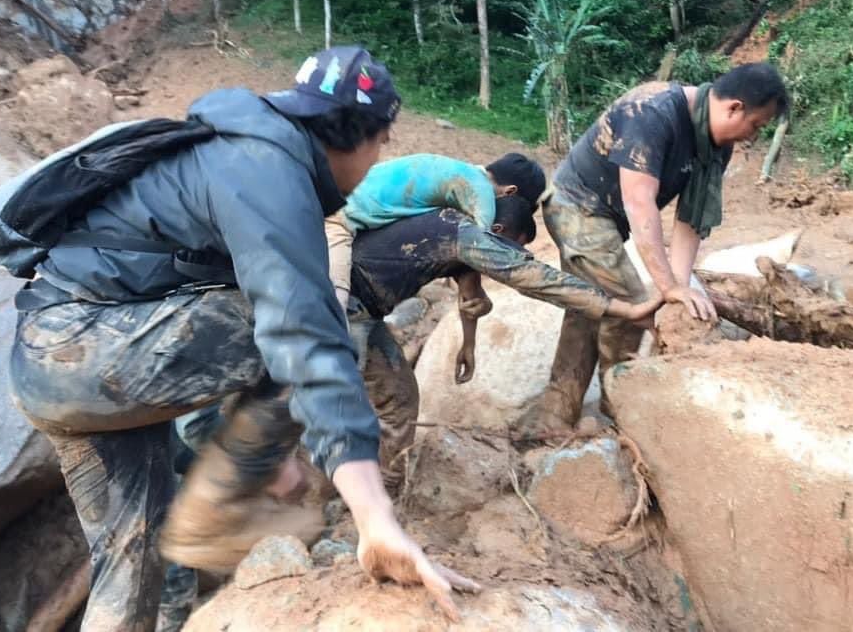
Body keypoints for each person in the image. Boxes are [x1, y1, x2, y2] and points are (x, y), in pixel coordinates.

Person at [6, 46, 478, 631]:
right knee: (314, 319)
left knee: (131, 567)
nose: (377, 158)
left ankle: (216, 504)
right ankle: (219, 507)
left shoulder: (237, 151)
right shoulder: (267, 169)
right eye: (382, 142)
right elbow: (302, 336)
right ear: (360, 135)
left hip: (61, 365)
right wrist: (374, 517)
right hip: (82, 345)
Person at [519, 63, 790, 432]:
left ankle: (555, 412)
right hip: (576, 204)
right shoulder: (653, 113)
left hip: (609, 218)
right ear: (734, 108)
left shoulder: (715, 146)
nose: (752, 137)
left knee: (588, 306)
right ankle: (625, 414)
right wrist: (666, 287)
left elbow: (691, 219)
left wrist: (678, 287)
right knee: (630, 305)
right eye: (755, 125)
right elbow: (639, 201)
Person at [341, 194, 662, 489]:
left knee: (396, 395)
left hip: (359, 306)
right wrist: (623, 308)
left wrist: (468, 345)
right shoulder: (467, 236)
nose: (506, 254)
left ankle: (373, 481)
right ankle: (368, 488)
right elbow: (530, 277)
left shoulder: (451, 228)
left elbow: (471, 298)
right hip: (344, 305)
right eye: (509, 246)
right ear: (497, 230)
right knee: (368, 398)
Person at [324, 151, 547, 312]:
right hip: (338, 219)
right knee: (335, 307)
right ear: (510, 192)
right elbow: (483, 244)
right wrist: (522, 256)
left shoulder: (459, 173)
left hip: (341, 200)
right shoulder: (480, 191)